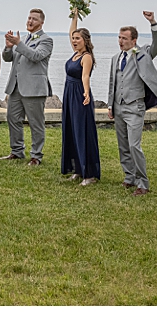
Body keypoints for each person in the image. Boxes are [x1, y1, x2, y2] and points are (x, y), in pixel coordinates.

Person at [107, 12, 157, 196]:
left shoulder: (143, 53)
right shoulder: (115, 58)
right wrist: (110, 105)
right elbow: (112, 82)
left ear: (134, 40)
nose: (120, 41)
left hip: (135, 107)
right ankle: (129, 177)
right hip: (118, 106)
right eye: (119, 38)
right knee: (122, 145)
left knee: (134, 145)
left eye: (124, 38)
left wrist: (153, 22)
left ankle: (142, 183)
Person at [1, 8, 53, 165]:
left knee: (35, 123)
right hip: (16, 87)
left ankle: (36, 155)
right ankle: (17, 151)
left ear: (41, 22)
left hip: (34, 88)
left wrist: (18, 44)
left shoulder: (46, 40)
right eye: (29, 18)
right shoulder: (22, 39)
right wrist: (9, 47)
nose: (30, 21)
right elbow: (8, 58)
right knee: (12, 118)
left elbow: (36, 56)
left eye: (34, 19)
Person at [60, 12, 100, 185]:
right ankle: (77, 168)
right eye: (73, 38)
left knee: (82, 132)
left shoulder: (86, 57)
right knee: (71, 130)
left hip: (78, 95)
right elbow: (71, 31)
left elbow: (85, 77)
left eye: (78, 38)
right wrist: (74, 16)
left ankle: (89, 174)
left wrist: (86, 92)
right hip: (69, 94)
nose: (74, 40)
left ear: (85, 40)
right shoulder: (75, 54)